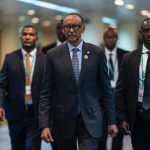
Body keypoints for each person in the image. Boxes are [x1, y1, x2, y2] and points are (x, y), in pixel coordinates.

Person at [39, 13, 118, 150]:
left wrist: (111, 121)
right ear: (63, 29)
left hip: (91, 117)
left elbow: (106, 89)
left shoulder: (96, 53)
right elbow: (46, 92)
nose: (71, 30)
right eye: (67, 27)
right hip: (63, 118)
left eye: (75, 26)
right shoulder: (53, 55)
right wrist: (44, 125)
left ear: (83, 28)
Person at [0, 25, 46, 150]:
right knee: (17, 146)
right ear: (21, 37)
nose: (27, 37)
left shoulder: (45, 60)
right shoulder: (10, 58)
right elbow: (2, 85)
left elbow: (50, 88)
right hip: (15, 112)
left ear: (36, 37)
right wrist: (0, 105)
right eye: (25, 34)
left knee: (32, 147)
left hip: (36, 113)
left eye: (31, 35)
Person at [116, 17, 150, 150]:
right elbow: (120, 90)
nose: (149, 33)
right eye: (146, 30)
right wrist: (122, 118)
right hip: (138, 118)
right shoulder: (129, 58)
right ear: (141, 32)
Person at [99, 27, 128, 150]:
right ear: (103, 39)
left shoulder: (126, 55)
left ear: (117, 39)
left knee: (118, 137)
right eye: (108, 37)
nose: (110, 40)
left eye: (113, 37)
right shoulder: (97, 54)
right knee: (101, 137)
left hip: (119, 100)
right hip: (101, 100)